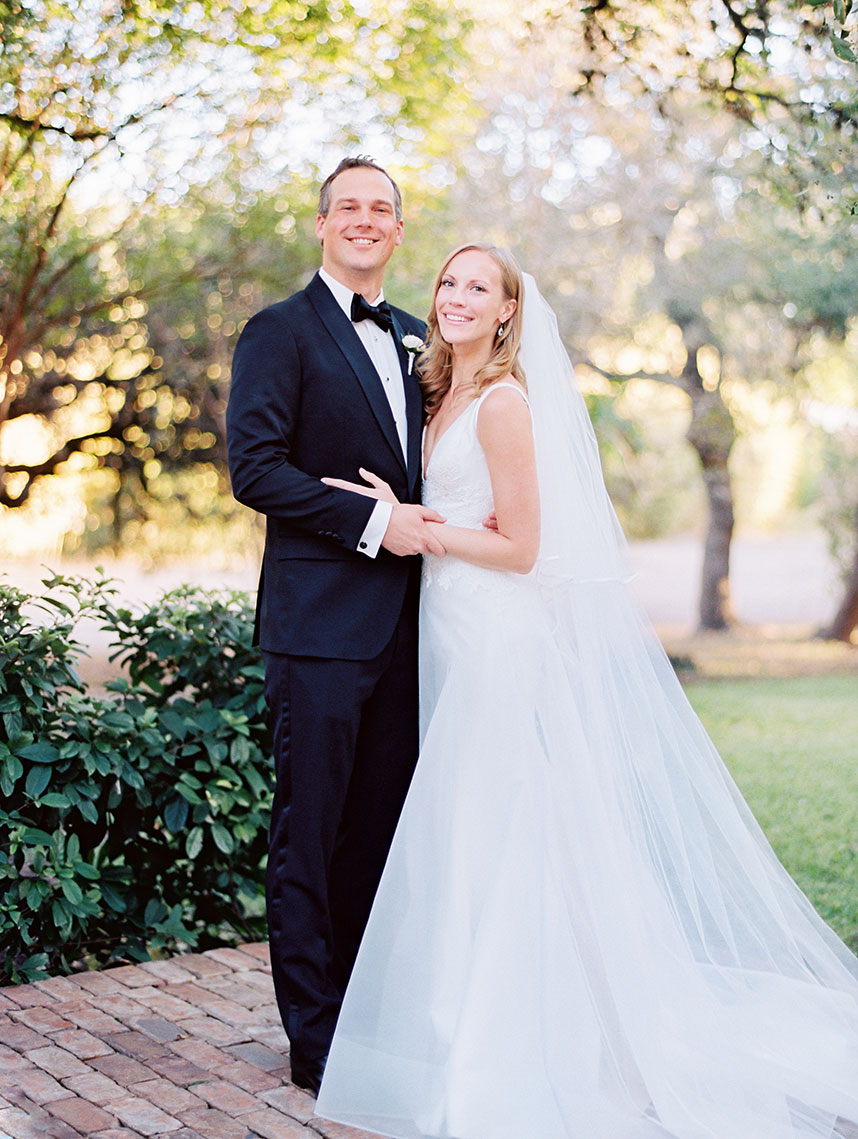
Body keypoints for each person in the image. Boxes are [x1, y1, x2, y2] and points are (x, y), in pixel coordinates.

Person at [315, 243, 858, 1138]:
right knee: (468, 820)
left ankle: (506, 1039)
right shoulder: (440, 392)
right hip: (447, 628)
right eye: (448, 282)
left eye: (476, 287)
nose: (454, 297)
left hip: (495, 631)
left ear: (507, 312)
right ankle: (457, 1018)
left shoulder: (505, 402)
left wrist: (430, 530)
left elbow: (524, 548)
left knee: (499, 821)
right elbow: (446, 501)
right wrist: (402, 504)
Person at [226, 156, 445, 1096]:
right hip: (318, 629)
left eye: (381, 209)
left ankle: (371, 1018)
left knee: (381, 835)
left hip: (410, 631)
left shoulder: (416, 338)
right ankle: (316, 1042)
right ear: (321, 225)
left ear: (399, 230)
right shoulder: (278, 332)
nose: (364, 220)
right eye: (347, 207)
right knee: (310, 835)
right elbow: (255, 469)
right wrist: (371, 520)